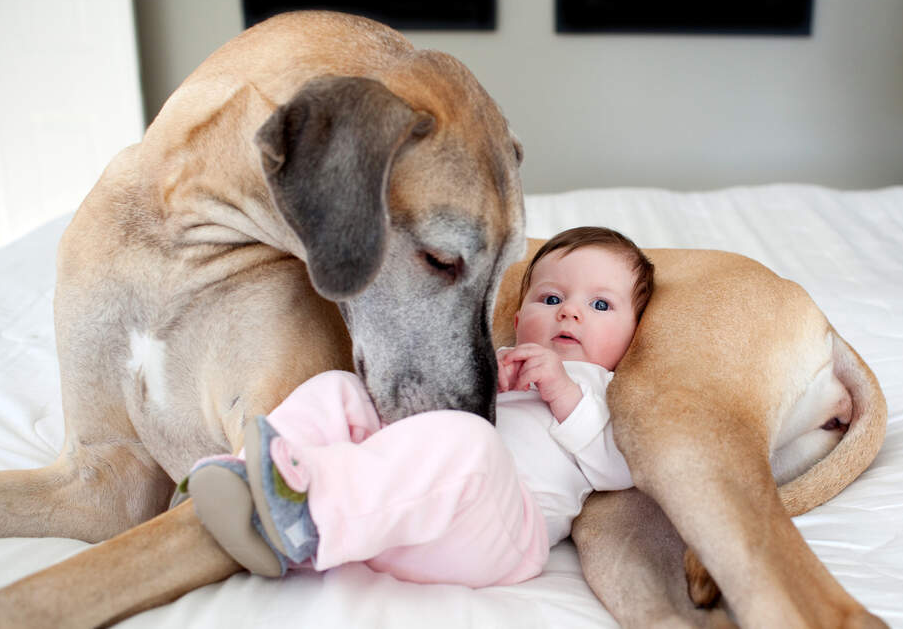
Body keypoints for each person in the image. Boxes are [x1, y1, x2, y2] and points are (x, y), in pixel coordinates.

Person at [182, 226, 655, 587]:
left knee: (473, 442)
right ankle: (250, 479)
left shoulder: (603, 388)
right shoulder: (496, 359)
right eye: (551, 298)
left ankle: (306, 513)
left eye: (600, 306)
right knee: (341, 388)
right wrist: (487, 382)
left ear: (634, 333)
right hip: (404, 523)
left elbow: (620, 467)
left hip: (502, 535)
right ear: (517, 319)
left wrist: (564, 393)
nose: (569, 311)